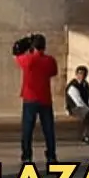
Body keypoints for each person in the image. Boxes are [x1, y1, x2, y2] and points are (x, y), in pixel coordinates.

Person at [13, 33, 58, 169]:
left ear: (33, 47)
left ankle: (27, 156)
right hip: (45, 98)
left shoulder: (28, 60)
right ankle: (51, 155)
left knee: (27, 130)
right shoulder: (50, 60)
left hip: (30, 98)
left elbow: (15, 52)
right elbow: (53, 72)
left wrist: (25, 42)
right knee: (48, 129)